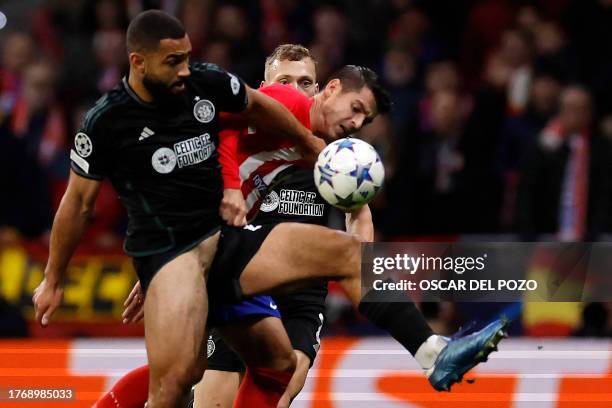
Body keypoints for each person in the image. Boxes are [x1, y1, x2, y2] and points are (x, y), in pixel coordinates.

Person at [122, 64, 509, 407]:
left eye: (366, 120)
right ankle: (431, 353)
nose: (357, 124)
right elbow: (219, 120)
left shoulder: (335, 156)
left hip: (231, 258)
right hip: (202, 241)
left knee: (264, 369)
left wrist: (366, 270)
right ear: (332, 89)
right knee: (183, 378)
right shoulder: (286, 103)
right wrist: (226, 191)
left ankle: (432, 353)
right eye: (356, 109)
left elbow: (360, 213)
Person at [32, 10, 324, 408]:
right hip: (227, 268)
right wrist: (164, 269)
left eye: (305, 82)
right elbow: (80, 203)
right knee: (185, 377)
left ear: (321, 89)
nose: (295, 91)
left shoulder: (336, 162)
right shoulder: (227, 138)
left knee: (279, 377)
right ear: (265, 85)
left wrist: (391, 305)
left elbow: (363, 229)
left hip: (297, 299)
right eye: (285, 82)